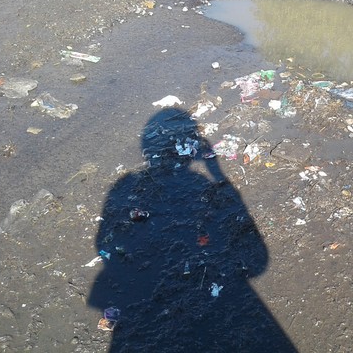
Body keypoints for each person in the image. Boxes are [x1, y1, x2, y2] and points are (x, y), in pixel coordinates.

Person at [88, 108, 296, 352]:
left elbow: (103, 242)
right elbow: (259, 262)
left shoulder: (124, 184)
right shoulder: (198, 181)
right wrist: (215, 169)